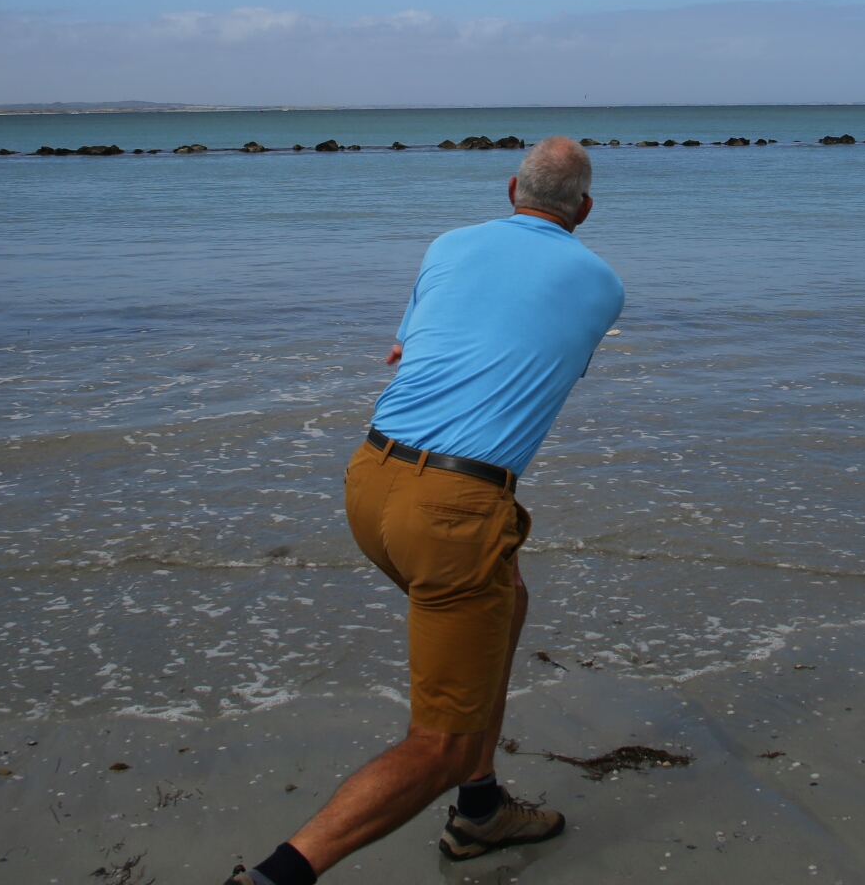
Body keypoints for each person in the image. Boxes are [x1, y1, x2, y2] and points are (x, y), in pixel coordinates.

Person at [225, 136, 625, 885]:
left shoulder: (448, 246)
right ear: (586, 210)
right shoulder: (601, 284)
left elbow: (408, 352)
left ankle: (481, 810)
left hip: (369, 482)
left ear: (511, 189)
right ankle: (274, 878)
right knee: (440, 745)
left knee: (507, 601)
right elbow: (538, 354)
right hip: (453, 511)